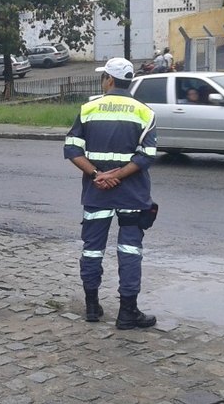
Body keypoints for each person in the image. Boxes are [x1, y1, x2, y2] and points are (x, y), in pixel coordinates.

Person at [64, 57, 159, 330]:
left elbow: (72, 149)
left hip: (96, 194)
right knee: (130, 251)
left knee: (92, 250)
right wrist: (116, 175)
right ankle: (127, 313)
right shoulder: (145, 112)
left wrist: (97, 175)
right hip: (132, 195)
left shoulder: (88, 109)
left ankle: (92, 307)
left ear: (109, 80)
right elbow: (146, 156)